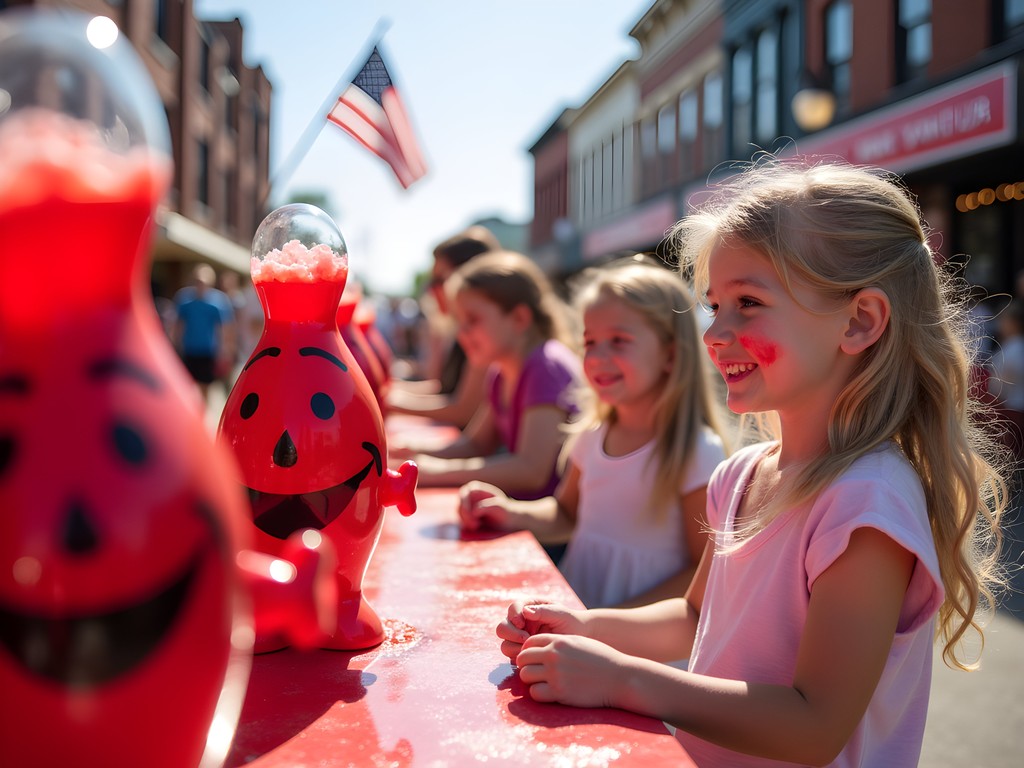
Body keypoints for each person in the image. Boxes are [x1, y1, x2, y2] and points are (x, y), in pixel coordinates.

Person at [495, 160, 1008, 767]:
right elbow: (693, 616)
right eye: (714, 304)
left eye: (748, 302)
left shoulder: (867, 503)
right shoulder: (739, 476)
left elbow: (814, 724)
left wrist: (623, 679)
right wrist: (587, 628)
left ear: (859, 321)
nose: (714, 332)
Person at [458, 257, 730, 609]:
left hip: (630, 649)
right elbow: (566, 514)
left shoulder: (697, 454)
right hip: (577, 619)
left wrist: (604, 623)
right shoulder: (592, 435)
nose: (598, 358)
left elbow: (700, 575)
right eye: (590, 342)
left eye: (618, 341)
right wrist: (508, 511)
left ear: (670, 354)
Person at [392, 250, 583, 504]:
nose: (462, 333)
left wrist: (436, 471)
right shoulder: (501, 371)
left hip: (550, 535)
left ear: (519, 318)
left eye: (473, 320)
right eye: (459, 321)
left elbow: (531, 471)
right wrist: (410, 454)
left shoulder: (545, 366)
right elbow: (476, 445)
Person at [387, 225, 500, 427]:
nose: (432, 289)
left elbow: (463, 411)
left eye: (440, 279)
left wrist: (387, 401)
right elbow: (443, 389)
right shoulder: (463, 330)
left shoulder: (487, 333)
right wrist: (388, 395)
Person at [173, 263, 236, 404]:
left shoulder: (219, 301)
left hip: (208, 351)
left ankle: (202, 416)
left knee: (206, 386)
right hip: (189, 349)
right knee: (186, 385)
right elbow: (178, 325)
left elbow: (225, 328)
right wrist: (176, 345)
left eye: (204, 282)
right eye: (197, 281)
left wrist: (224, 351)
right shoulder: (184, 299)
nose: (200, 285)